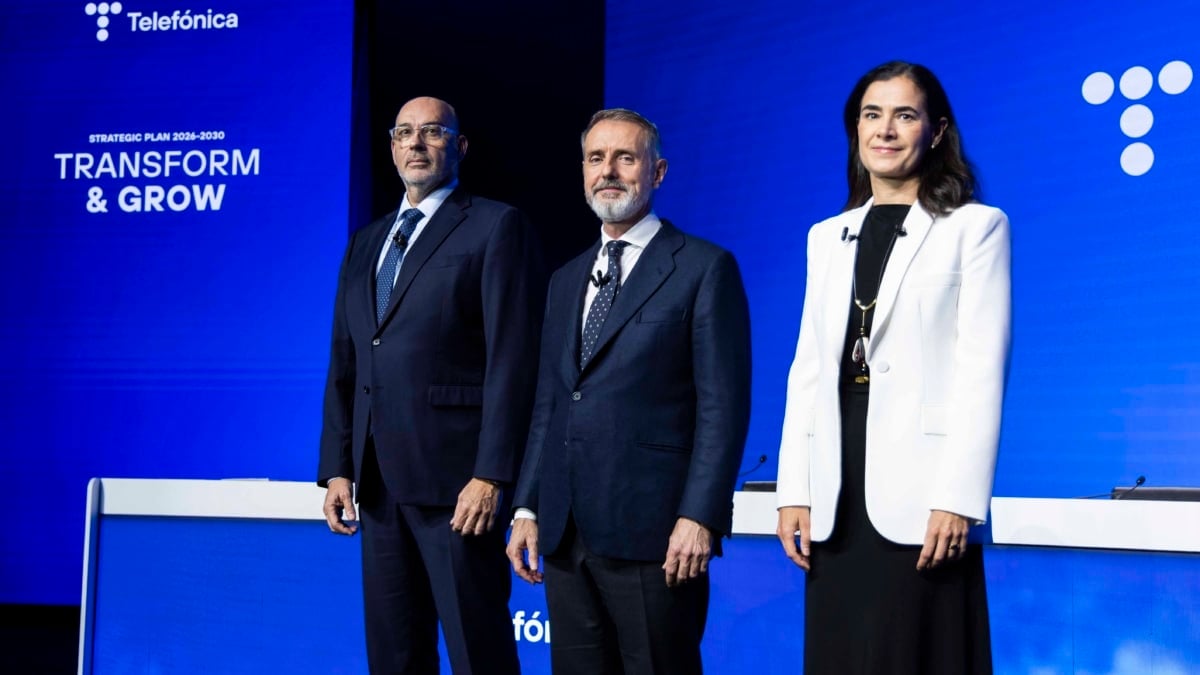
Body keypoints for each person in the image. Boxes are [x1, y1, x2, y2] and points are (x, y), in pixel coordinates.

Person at [775, 61, 1011, 674]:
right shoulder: (826, 236)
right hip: (836, 485)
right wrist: (793, 489)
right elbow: (807, 371)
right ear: (855, 129)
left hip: (924, 491)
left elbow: (981, 371)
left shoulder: (975, 228)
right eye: (871, 115)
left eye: (905, 115)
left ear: (936, 132)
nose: (885, 130)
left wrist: (959, 497)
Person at [505, 108, 751, 675]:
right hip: (566, 534)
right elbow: (550, 403)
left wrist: (700, 517)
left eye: (625, 158)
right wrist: (527, 506)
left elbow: (723, 408)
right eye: (596, 158)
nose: (608, 171)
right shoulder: (565, 279)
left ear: (657, 172)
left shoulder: (703, 268)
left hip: (657, 535)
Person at [317, 96, 545, 674]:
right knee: (394, 656)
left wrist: (492, 475)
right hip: (377, 486)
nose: (416, 143)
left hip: (458, 487)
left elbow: (513, 361)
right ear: (392, 147)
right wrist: (338, 467)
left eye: (433, 132)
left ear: (459, 146)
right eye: (404, 133)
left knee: (478, 651)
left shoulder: (495, 226)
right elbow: (346, 362)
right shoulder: (365, 242)